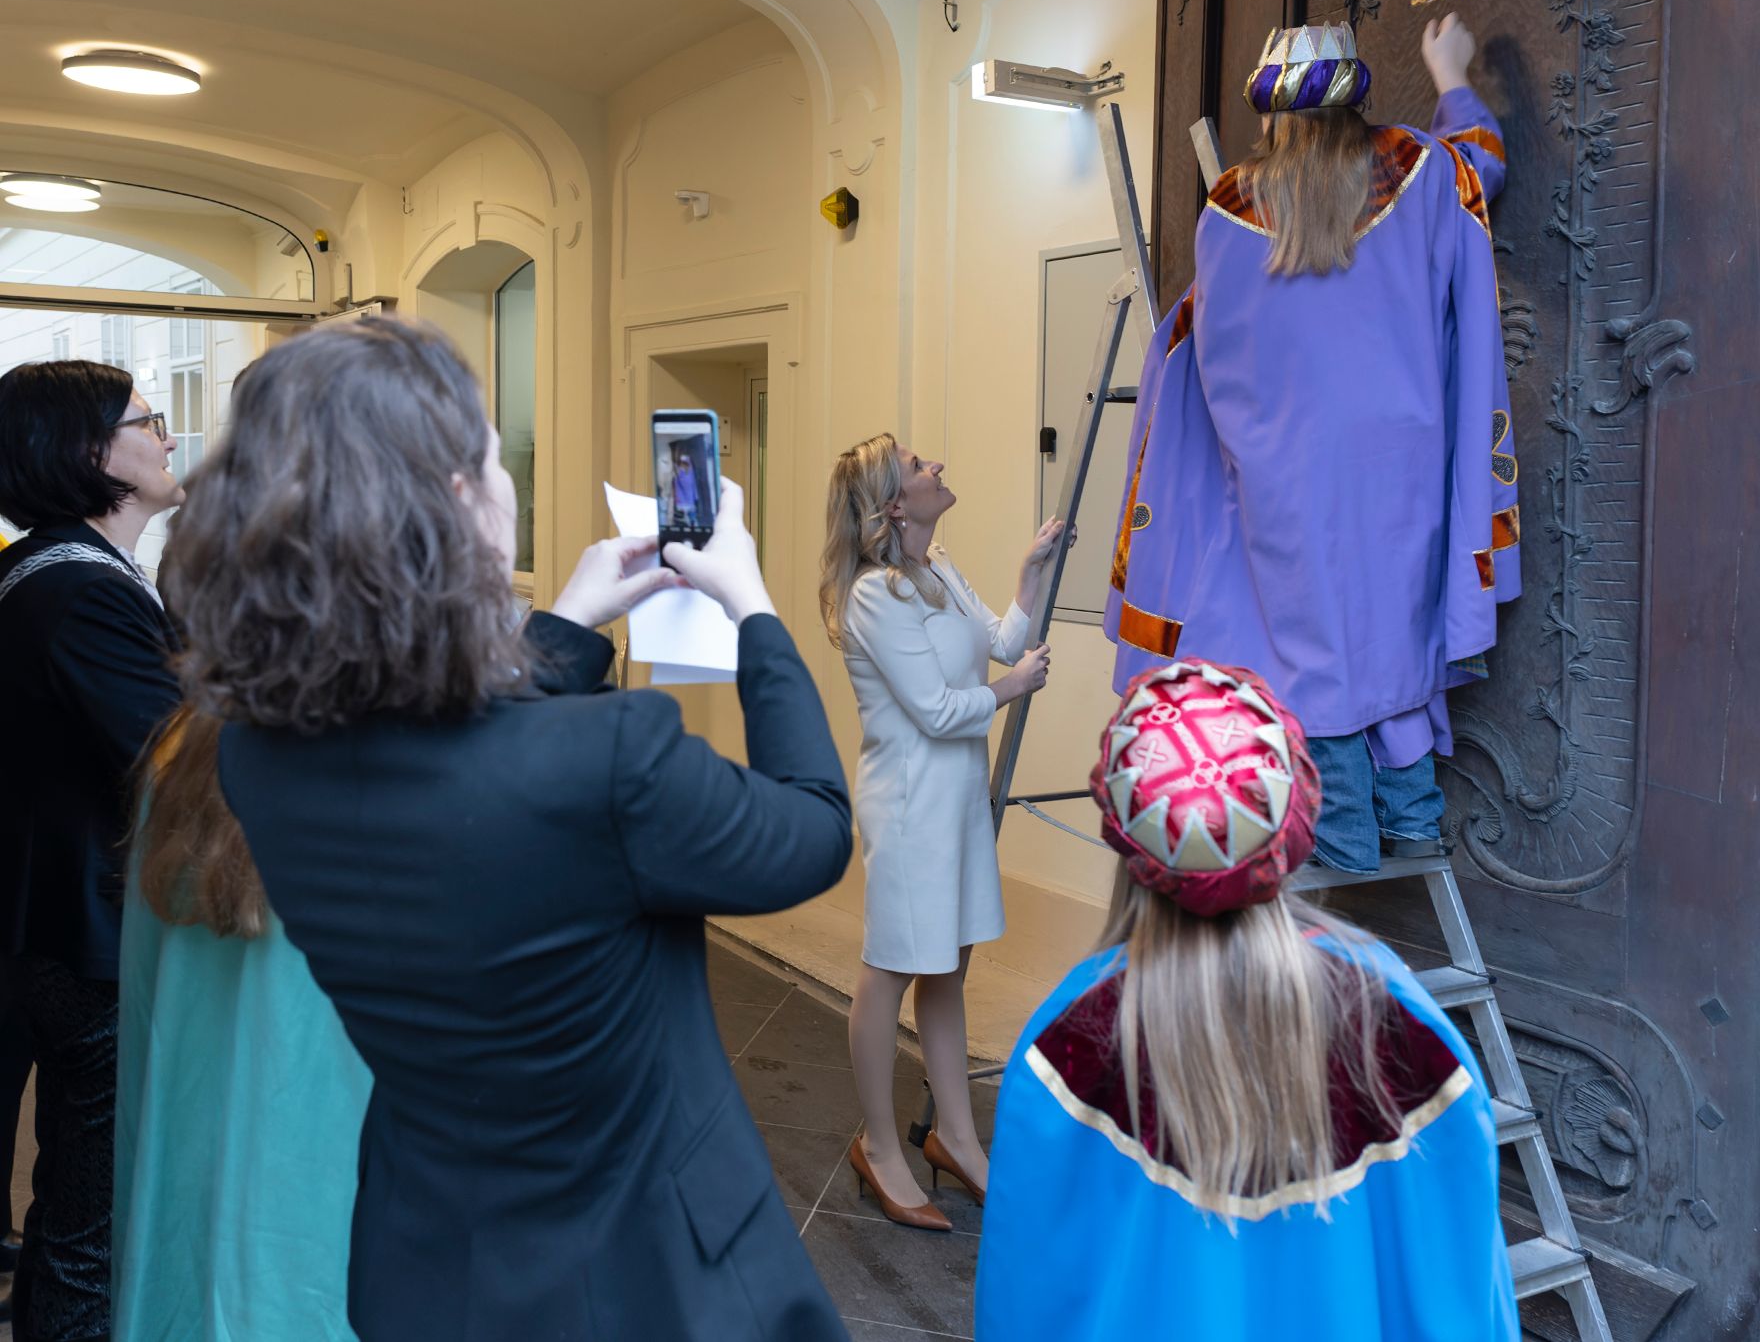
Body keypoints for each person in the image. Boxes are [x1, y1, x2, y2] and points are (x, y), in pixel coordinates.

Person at [165, 316, 852, 1342]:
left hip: (432, 1258)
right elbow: (811, 827)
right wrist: (753, 607)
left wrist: (565, 621)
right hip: (654, 1276)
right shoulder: (609, 762)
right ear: (458, 505)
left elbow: (459, 746)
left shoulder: (260, 758)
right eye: (494, 455)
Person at [975, 659, 1519, 1340]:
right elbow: (1464, 1298)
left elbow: (1025, 1304)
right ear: (1294, 813)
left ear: (1127, 833)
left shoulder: (1069, 1046)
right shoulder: (1402, 1027)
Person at [1106, 13, 1518, 873]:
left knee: (1311, 647)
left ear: (1271, 119)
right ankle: (1410, 817)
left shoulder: (1231, 210)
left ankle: (1344, 845)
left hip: (1285, 479)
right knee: (1389, 634)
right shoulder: (1417, 169)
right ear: (1353, 104)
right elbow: (1481, 162)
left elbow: (1215, 358)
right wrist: (1448, 76)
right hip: (1400, 470)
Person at [820, 434, 1060, 1229]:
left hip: (955, 798)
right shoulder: (872, 594)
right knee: (889, 969)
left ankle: (956, 1139)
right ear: (893, 503)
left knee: (949, 967)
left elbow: (1002, 640)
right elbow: (933, 707)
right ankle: (882, 1146)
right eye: (921, 466)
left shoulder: (939, 565)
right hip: (910, 804)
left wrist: (1030, 573)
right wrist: (1010, 691)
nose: (938, 467)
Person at [0, 360, 184, 1342]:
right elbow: (181, 759)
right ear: (87, 452)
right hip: (85, 938)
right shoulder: (76, 590)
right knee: (89, 1219)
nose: (167, 436)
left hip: (68, 924)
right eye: (149, 420)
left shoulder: (80, 570)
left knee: (77, 1209)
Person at [113, 705, 370, 1341]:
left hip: (190, 1172)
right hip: (325, 1186)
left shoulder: (182, 747)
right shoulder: (392, 768)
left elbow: (145, 1003)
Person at [672, 449, 701, 529]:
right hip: (686, 499)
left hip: (686, 499)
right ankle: (692, 522)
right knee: (689, 515)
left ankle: (692, 523)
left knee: (690, 515)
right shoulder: (686, 470)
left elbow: (691, 483)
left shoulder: (687, 471)